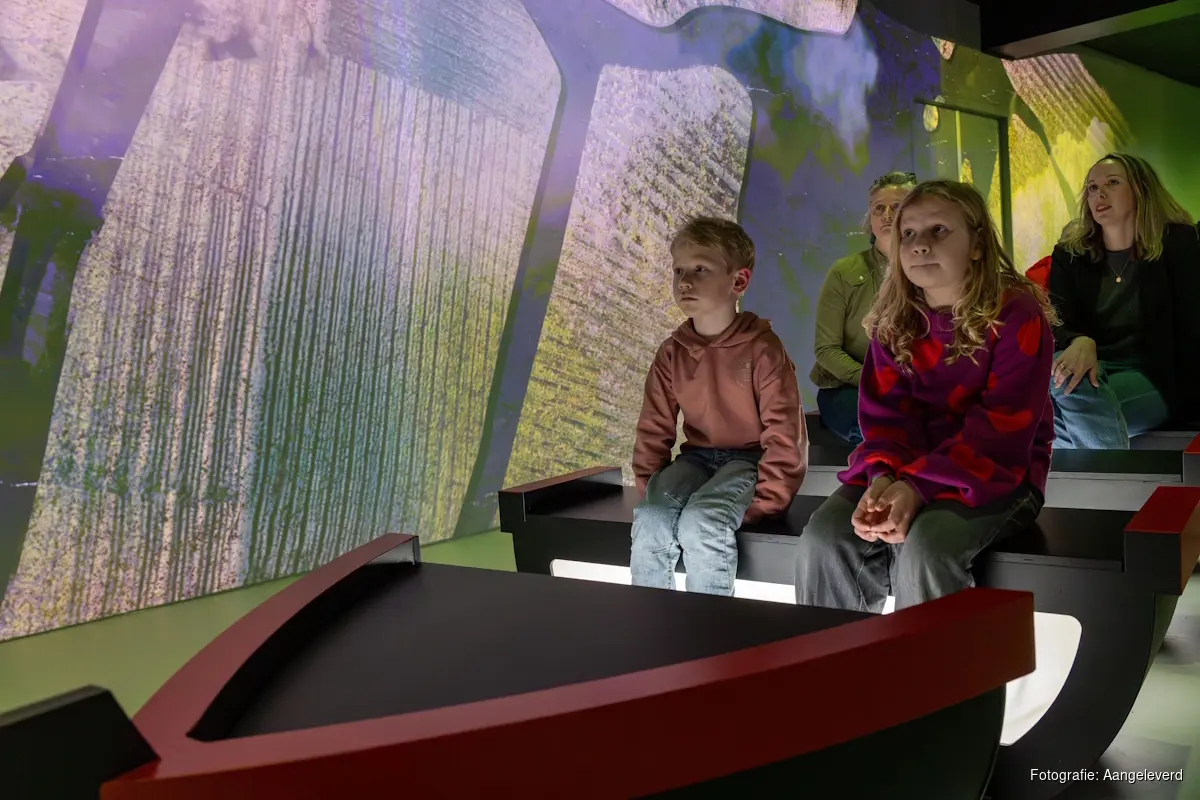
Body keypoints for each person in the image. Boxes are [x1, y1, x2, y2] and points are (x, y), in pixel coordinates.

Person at [794, 180, 1056, 612]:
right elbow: (884, 420)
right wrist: (882, 479)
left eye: (939, 231)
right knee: (824, 538)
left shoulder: (1016, 315)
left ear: (977, 244)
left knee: (926, 549)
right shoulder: (892, 322)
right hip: (905, 470)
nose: (920, 245)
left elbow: (1002, 429)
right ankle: (837, 655)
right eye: (909, 234)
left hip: (1001, 473)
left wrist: (915, 487)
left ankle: (931, 658)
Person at [631, 216, 806, 596]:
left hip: (748, 462)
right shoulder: (671, 352)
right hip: (695, 460)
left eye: (700, 269)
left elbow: (785, 432)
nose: (685, 281)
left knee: (703, 522)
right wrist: (652, 488)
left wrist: (767, 501)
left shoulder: (764, 349)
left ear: (738, 281)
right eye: (678, 270)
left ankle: (709, 626)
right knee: (651, 518)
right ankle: (649, 621)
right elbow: (653, 426)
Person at [1048, 153, 1200, 448]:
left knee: (1049, 416)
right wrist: (1078, 340)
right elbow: (1056, 321)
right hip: (1092, 370)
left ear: (1140, 189)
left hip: (1155, 377)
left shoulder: (1177, 244)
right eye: (1092, 188)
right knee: (1062, 377)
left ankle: (1100, 471)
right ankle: (1106, 470)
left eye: (1112, 183)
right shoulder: (1070, 255)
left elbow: (1192, 328)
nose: (1099, 194)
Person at [811, 172, 918, 445]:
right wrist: (875, 380)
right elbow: (826, 350)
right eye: (878, 208)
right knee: (881, 427)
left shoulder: (931, 270)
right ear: (869, 218)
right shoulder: (844, 271)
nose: (886, 215)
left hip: (916, 387)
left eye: (897, 206)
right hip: (849, 389)